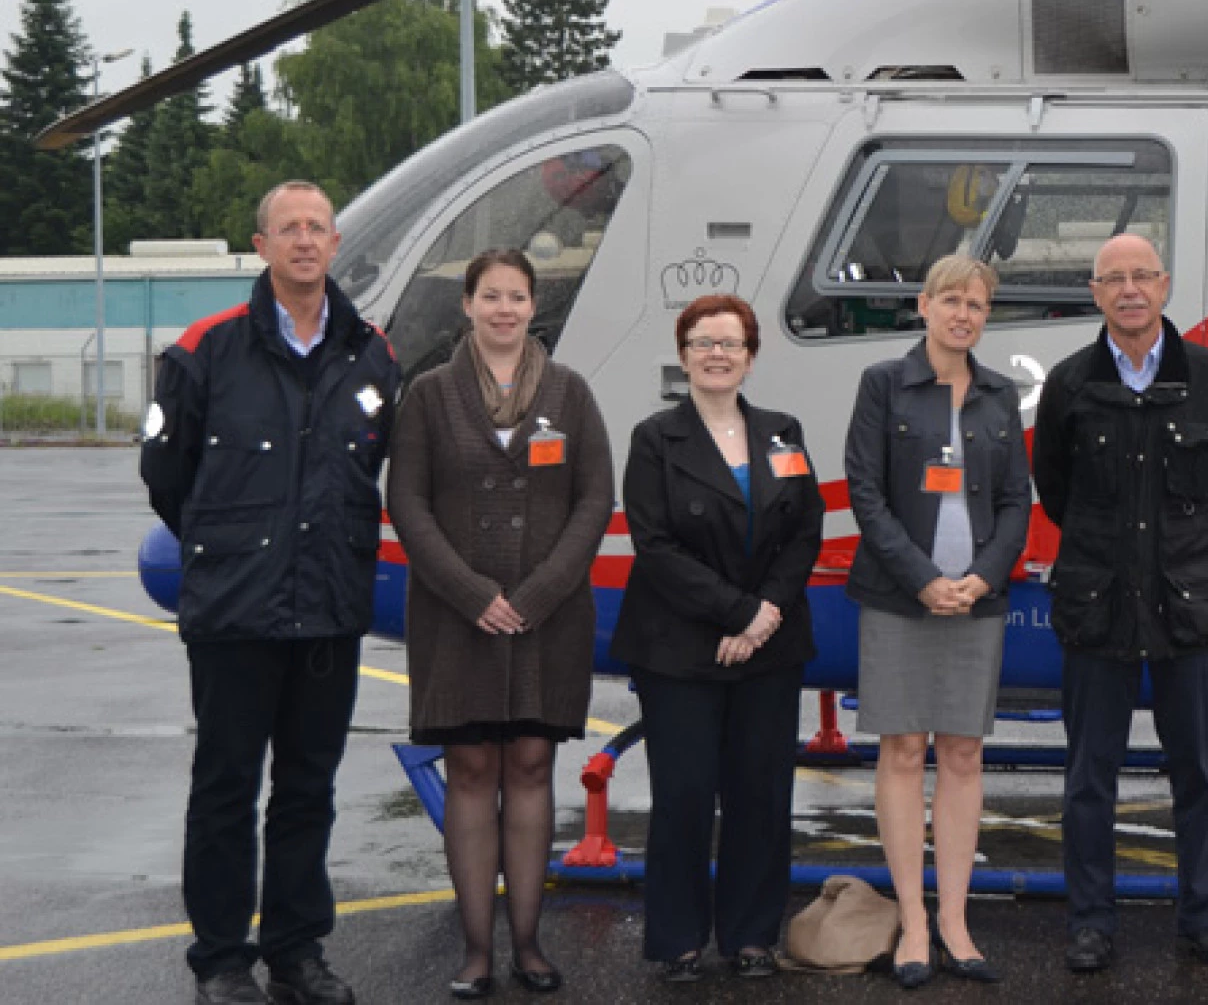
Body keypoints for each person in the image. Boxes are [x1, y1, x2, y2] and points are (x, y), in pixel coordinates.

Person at [141, 180, 402, 1005]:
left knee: (308, 790)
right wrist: (235, 548)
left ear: (335, 244)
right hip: (235, 612)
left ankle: (297, 953)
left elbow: (370, 465)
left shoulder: (372, 352)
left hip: (327, 610)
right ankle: (221, 959)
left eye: (317, 226)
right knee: (225, 790)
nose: (304, 239)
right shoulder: (205, 348)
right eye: (288, 228)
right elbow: (167, 478)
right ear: (261, 246)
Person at [386, 249, 615, 999]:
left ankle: (529, 943)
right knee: (471, 769)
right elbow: (407, 503)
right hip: (457, 619)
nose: (504, 309)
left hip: (549, 617)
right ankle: (477, 950)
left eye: (517, 297)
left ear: (532, 306)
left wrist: (542, 590)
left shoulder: (570, 393)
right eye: (491, 296)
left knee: (531, 766)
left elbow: (595, 499)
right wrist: (470, 591)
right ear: (468, 305)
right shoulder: (429, 395)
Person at [1030, 233, 1208, 974]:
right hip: (1098, 605)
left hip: (1189, 605)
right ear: (1095, 293)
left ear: (1164, 286)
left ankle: (1205, 918)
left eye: (1142, 276)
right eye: (1113, 278)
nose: (1129, 290)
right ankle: (1091, 922)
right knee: (1089, 778)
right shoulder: (1068, 383)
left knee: (1199, 773)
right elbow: (1055, 491)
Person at [610, 295, 825, 984]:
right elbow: (655, 545)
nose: (717, 354)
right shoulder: (655, 438)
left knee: (761, 796)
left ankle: (751, 937)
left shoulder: (783, 432)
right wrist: (737, 614)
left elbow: (805, 532)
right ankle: (677, 941)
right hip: (680, 646)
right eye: (703, 342)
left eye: (731, 343)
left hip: (770, 644)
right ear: (683, 355)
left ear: (751, 357)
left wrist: (763, 615)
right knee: (684, 795)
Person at [843, 256, 1031, 989]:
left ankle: (955, 921)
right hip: (900, 599)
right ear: (923, 306)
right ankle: (913, 922)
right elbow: (865, 492)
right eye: (951, 300)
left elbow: (1015, 501)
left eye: (976, 305)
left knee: (961, 754)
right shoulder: (882, 384)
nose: (963, 314)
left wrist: (983, 577)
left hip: (976, 601)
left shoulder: (999, 394)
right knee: (901, 751)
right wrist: (922, 579)